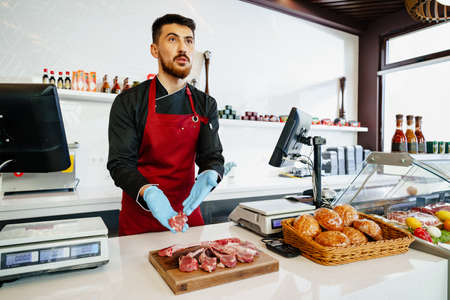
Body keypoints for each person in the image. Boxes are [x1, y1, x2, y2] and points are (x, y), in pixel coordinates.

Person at [107, 14, 224, 236]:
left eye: (189, 41)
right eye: (173, 39)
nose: (183, 48)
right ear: (154, 50)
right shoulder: (129, 101)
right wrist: (149, 192)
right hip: (139, 220)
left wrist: (212, 173)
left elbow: (213, 157)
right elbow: (120, 164)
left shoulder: (205, 104)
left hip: (187, 217)